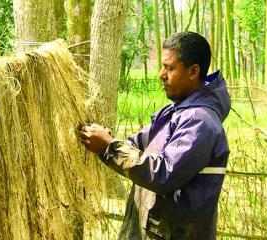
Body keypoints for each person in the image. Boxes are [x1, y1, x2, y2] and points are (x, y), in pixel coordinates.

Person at [79, 32, 231, 239]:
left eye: (169, 68)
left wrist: (109, 147)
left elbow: (163, 174)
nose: (161, 74)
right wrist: (102, 138)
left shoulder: (199, 121)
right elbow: (135, 143)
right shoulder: (173, 113)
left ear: (193, 71)